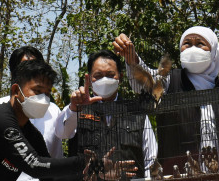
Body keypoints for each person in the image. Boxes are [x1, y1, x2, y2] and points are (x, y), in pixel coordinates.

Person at [114, 26, 219, 176]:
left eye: (200, 44)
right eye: (187, 43)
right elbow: (145, 83)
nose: (193, 48)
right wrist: (132, 59)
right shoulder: (171, 81)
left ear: (213, 52)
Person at [54, 50, 156, 178]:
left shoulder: (136, 113)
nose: (104, 79)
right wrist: (74, 109)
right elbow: (61, 133)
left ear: (120, 77)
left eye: (110, 74)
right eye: (98, 75)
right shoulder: (78, 109)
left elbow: (150, 160)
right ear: (90, 79)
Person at [0, 45, 64, 168]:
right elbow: (34, 164)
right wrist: (81, 163)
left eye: (47, 93)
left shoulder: (35, 132)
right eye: (37, 90)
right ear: (16, 88)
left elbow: (52, 166)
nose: (32, 71)